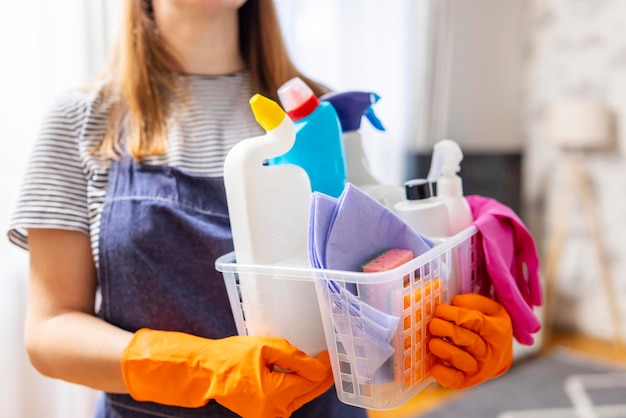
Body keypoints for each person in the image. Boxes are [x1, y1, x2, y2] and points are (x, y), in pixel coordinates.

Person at [7, 0, 514, 417]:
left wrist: (446, 333)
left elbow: (368, 281)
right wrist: (199, 367)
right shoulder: (81, 121)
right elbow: (50, 332)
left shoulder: (325, 115)